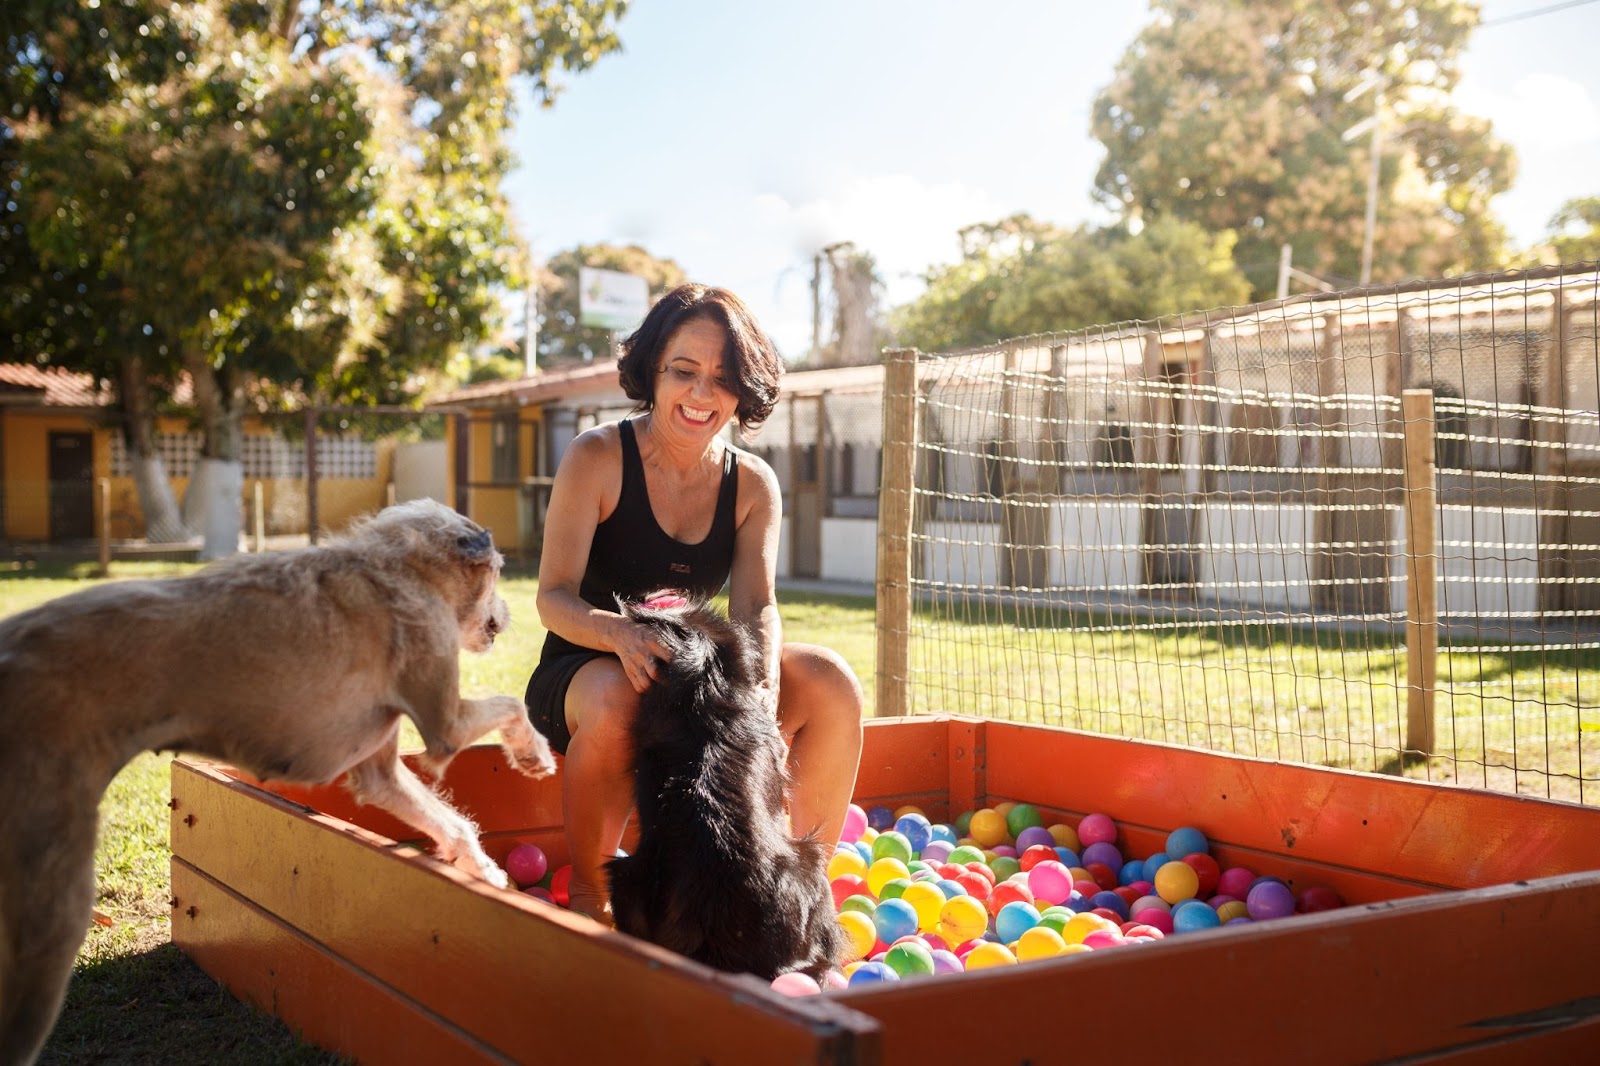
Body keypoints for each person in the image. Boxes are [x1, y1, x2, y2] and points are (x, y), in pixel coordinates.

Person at [526, 283, 865, 923]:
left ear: (744, 390)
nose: (702, 394)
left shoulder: (753, 484)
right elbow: (551, 598)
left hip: (695, 682)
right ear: (653, 372)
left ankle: (796, 893)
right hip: (585, 671)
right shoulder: (596, 457)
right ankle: (591, 898)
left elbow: (756, 607)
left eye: (723, 377)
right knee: (624, 696)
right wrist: (622, 636)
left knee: (829, 682)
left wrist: (761, 683)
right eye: (684, 372)